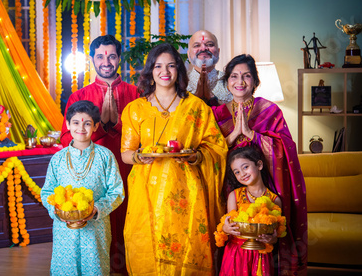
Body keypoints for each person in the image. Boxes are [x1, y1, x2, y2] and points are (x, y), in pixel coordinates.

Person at [120, 43, 228, 275]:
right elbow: (126, 153)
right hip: (146, 189)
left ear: (179, 70)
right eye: (158, 66)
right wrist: (140, 156)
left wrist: (197, 156)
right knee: (145, 241)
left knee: (187, 242)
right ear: (150, 71)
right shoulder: (135, 109)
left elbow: (216, 147)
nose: (164, 71)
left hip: (187, 191)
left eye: (170, 65)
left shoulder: (197, 108)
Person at [212, 54, 308, 276]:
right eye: (234, 76)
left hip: (264, 186)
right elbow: (209, 153)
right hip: (226, 189)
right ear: (227, 82)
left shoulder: (270, 111)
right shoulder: (216, 115)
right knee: (231, 239)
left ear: (255, 81)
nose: (240, 81)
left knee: (264, 242)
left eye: (247, 76)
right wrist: (232, 135)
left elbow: (286, 149)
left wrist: (252, 135)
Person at [61, 34, 138, 273]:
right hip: (92, 175)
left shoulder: (136, 94)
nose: (106, 61)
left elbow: (144, 135)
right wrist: (101, 126)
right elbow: (66, 140)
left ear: (119, 59)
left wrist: (115, 125)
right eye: (100, 56)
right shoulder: (78, 97)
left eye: (112, 56)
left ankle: (129, 268)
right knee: (97, 227)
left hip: (129, 171)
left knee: (129, 221)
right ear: (92, 59)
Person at [41, 100, 125, 276]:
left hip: (96, 229)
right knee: (65, 269)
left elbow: (117, 191)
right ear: (68, 125)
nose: (81, 128)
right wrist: (56, 211)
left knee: (94, 268)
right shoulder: (58, 158)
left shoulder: (105, 156)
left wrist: (96, 210)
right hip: (64, 229)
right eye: (76, 122)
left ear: (95, 126)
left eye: (87, 123)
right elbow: (47, 191)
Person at [220, 146, 283, 276]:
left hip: (261, 256)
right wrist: (226, 229)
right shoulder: (234, 196)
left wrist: (271, 239)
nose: (242, 174)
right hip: (236, 253)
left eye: (245, 167)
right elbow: (228, 225)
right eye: (236, 172)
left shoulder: (274, 200)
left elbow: (276, 236)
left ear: (259, 165)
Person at [186, 30, 233, 106]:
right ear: (188, 54)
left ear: (218, 52)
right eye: (197, 45)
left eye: (210, 45)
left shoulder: (231, 81)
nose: (203, 48)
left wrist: (213, 99)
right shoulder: (179, 82)